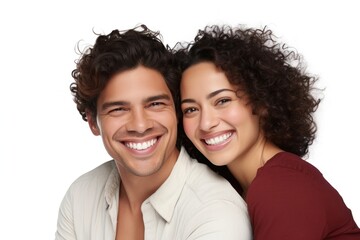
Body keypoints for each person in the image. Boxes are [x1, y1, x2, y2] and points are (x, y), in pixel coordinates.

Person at [55, 25, 252, 240]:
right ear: (93, 122)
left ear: (176, 111)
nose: (140, 125)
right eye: (119, 109)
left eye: (155, 104)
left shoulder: (216, 212)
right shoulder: (80, 197)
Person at [177, 24, 360, 239]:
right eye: (190, 109)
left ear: (261, 102)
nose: (206, 123)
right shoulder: (236, 188)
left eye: (223, 101)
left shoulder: (279, 187)